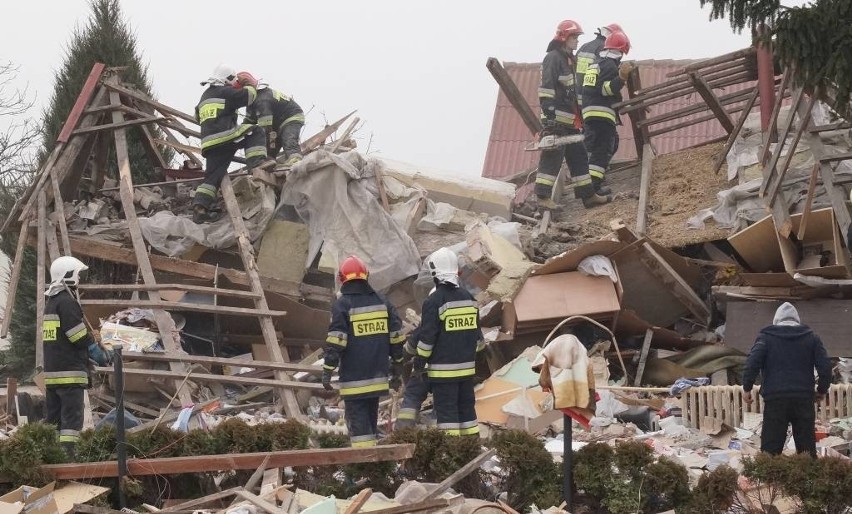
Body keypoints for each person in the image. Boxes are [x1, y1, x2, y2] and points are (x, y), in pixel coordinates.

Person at [322, 256, 406, 447]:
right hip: (377, 379)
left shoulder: (342, 306)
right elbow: (396, 338)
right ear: (366, 276)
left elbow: (336, 342)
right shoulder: (383, 302)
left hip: (354, 381)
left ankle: (365, 466)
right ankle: (374, 465)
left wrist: (327, 370)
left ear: (342, 279)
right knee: (370, 423)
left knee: (360, 434)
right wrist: (398, 367)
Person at [535, 20, 610, 211]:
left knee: (579, 157)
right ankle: (543, 198)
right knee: (552, 158)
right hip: (556, 120)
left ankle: (588, 196)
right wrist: (549, 113)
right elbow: (546, 87)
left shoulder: (569, 59)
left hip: (570, 120)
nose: (577, 41)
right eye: (574, 37)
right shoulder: (553, 58)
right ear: (563, 38)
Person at [43, 256, 112, 459]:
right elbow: (77, 336)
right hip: (70, 375)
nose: (80, 278)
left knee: (54, 422)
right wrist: (94, 343)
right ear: (69, 276)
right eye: (78, 274)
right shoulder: (67, 302)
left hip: (53, 374)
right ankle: (69, 459)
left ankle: (51, 458)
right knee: (71, 424)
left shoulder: (51, 303)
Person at [742, 302, 832, 457]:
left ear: (776, 321)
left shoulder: (766, 338)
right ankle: (808, 480)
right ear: (797, 320)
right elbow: (825, 367)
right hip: (803, 398)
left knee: (770, 450)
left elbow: (752, 362)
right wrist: (822, 390)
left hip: (775, 399)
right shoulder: (811, 338)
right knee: (806, 450)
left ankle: (768, 480)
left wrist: (747, 387)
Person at [412, 248, 485, 436]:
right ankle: (471, 449)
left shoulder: (434, 301)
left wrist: (419, 362)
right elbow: (478, 339)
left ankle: (451, 455)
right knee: (467, 412)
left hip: (443, 373)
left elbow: (427, 339)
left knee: (447, 416)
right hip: (467, 372)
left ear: (435, 273)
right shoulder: (469, 298)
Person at [192, 64, 275, 223]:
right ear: (227, 79)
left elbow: (197, 117)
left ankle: (200, 208)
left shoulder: (204, 97)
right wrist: (248, 83)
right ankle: (257, 164)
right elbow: (250, 96)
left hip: (209, 143)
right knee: (255, 131)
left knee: (212, 176)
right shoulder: (225, 92)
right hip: (224, 137)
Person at [581, 31, 634, 196]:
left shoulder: (595, 64)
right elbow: (605, 89)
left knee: (598, 146)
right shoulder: (610, 66)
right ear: (620, 51)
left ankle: (588, 182)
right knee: (603, 149)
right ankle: (594, 186)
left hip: (589, 113)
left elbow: (591, 89)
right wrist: (622, 79)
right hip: (602, 114)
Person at [236, 72, 306, 166]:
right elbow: (248, 123)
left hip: (291, 117)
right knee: (270, 151)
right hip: (277, 124)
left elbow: (265, 129)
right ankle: (271, 164)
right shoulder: (252, 103)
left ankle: (296, 162)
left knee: (289, 141)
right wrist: (236, 135)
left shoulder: (262, 100)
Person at [575, 23, 624, 93]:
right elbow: (608, 70)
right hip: (595, 95)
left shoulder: (584, 46)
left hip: (580, 94)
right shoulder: (605, 49)